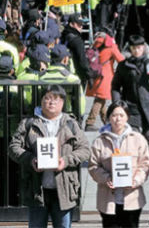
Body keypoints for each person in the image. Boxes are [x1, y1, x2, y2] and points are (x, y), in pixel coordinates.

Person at [9, 85, 91, 228]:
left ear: (63, 103)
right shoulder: (29, 123)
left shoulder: (71, 124)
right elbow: (13, 148)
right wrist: (30, 160)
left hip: (64, 190)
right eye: (47, 98)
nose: (51, 102)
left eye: (56, 99)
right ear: (41, 101)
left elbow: (85, 150)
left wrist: (65, 161)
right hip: (37, 190)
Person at [88, 101, 149, 228]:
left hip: (132, 198)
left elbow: (145, 164)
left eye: (122, 115)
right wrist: (106, 179)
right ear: (109, 117)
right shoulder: (100, 141)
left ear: (127, 117)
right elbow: (93, 166)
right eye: (114, 115)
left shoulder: (138, 138)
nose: (118, 119)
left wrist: (136, 180)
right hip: (108, 199)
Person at [111, 35, 149, 143]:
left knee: (148, 138)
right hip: (131, 107)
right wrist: (117, 103)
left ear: (143, 47)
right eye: (134, 48)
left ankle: (148, 159)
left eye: (139, 48)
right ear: (130, 49)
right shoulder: (124, 65)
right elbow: (115, 86)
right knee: (133, 138)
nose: (137, 51)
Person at [84, 32, 125, 131]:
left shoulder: (96, 43)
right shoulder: (111, 46)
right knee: (100, 99)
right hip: (106, 75)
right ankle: (90, 122)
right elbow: (121, 60)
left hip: (96, 74)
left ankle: (107, 121)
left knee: (101, 99)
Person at [61, 15, 95, 89]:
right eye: (78, 24)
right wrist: (89, 76)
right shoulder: (77, 40)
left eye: (82, 24)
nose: (81, 27)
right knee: (78, 98)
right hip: (75, 74)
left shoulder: (63, 34)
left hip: (62, 71)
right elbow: (82, 60)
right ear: (71, 24)